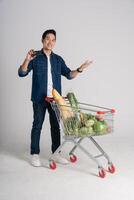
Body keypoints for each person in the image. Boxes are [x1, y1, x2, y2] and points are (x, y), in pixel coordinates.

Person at [18, 29, 93, 167]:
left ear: (55, 42)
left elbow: (69, 75)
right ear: (42, 40)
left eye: (53, 40)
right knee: (37, 126)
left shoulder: (58, 59)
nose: (50, 42)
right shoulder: (35, 57)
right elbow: (22, 73)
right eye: (47, 39)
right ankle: (35, 154)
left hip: (55, 100)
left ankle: (56, 153)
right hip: (39, 98)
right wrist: (27, 60)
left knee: (55, 127)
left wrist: (81, 68)